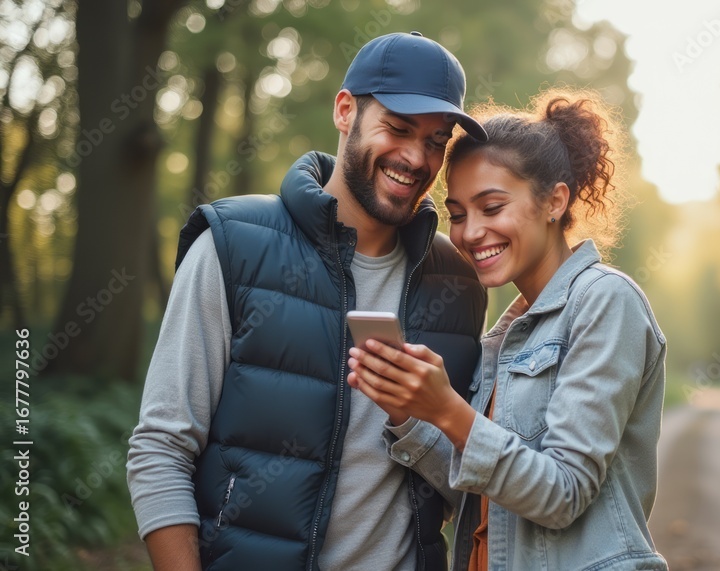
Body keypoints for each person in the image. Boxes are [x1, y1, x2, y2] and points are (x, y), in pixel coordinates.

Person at [126, 32, 488, 571]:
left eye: (437, 140)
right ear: (346, 112)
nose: (416, 157)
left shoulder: (460, 283)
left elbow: (470, 484)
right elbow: (160, 449)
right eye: (398, 128)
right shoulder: (232, 246)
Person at [348, 89, 669, 570]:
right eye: (456, 215)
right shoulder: (506, 333)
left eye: (492, 207)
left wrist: (449, 410)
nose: (470, 232)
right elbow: (485, 497)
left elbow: (562, 495)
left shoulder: (604, 301)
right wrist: (412, 413)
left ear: (554, 201)